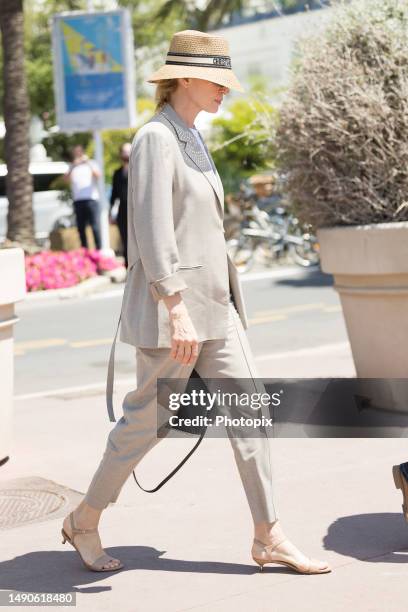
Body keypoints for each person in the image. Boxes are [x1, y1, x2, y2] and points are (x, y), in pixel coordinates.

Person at [60, 29, 331, 575]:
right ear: (184, 77)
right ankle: (84, 519)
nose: (225, 91)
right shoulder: (157, 138)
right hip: (175, 313)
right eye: (216, 80)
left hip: (217, 306)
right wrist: (176, 308)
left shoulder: (192, 135)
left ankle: (268, 533)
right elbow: (153, 230)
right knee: (146, 424)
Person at [63, 145, 102, 250]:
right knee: (81, 228)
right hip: (78, 201)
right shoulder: (72, 166)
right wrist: (73, 166)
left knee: (95, 226)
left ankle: (98, 250)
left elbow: (98, 175)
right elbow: (65, 179)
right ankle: (84, 250)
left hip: (91, 200)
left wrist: (87, 162)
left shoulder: (91, 163)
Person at [109, 143, 131, 269]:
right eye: (124, 152)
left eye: (129, 152)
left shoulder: (138, 169)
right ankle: (128, 268)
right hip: (123, 212)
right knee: (125, 240)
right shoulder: (117, 173)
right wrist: (110, 213)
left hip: (137, 211)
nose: (126, 155)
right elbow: (113, 195)